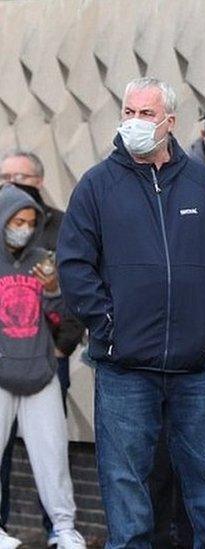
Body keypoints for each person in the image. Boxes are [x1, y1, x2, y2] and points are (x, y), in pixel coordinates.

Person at [57, 77, 205, 548]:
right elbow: (75, 265)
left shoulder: (203, 185)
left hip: (196, 367)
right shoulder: (97, 186)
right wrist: (109, 326)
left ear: (171, 122)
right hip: (124, 367)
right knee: (126, 489)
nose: (135, 122)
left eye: (146, 114)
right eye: (129, 112)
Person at [0, 151, 85, 547]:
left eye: (29, 223)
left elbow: (64, 310)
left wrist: (52, 291)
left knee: (52, 456)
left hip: (40, 370)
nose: (23, 229)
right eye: (16, 222)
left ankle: (64, 529)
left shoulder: (44, 260)